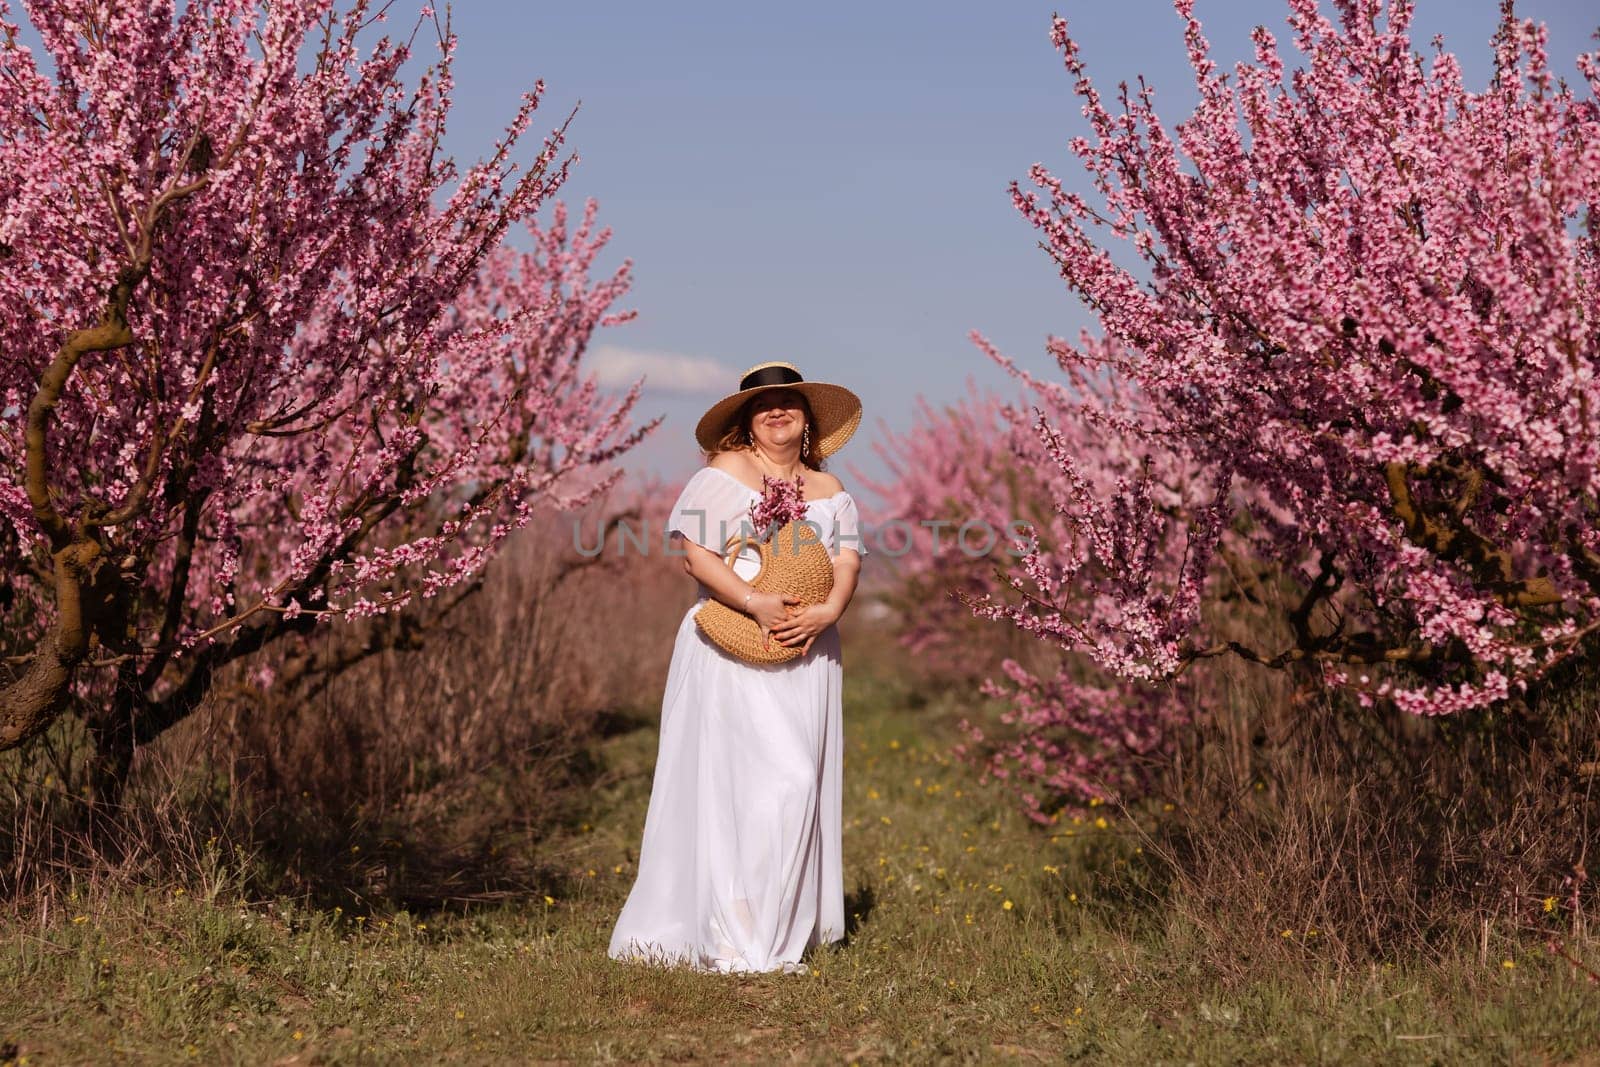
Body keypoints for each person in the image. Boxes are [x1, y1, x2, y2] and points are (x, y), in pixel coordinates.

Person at [607, 361, 867, 975]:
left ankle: (775, 925)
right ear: (746, 421)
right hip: (733, 641)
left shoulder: (831, 493)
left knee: (797, 784)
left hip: (808, 650)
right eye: (762, 404)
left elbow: (848, 562)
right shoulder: (723, 475)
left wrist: (827, 612)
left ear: (808, 420)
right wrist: (756, 601)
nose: (777, 411)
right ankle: (733, 932)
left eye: (789, 403)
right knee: (753, 782)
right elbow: (695, 557)